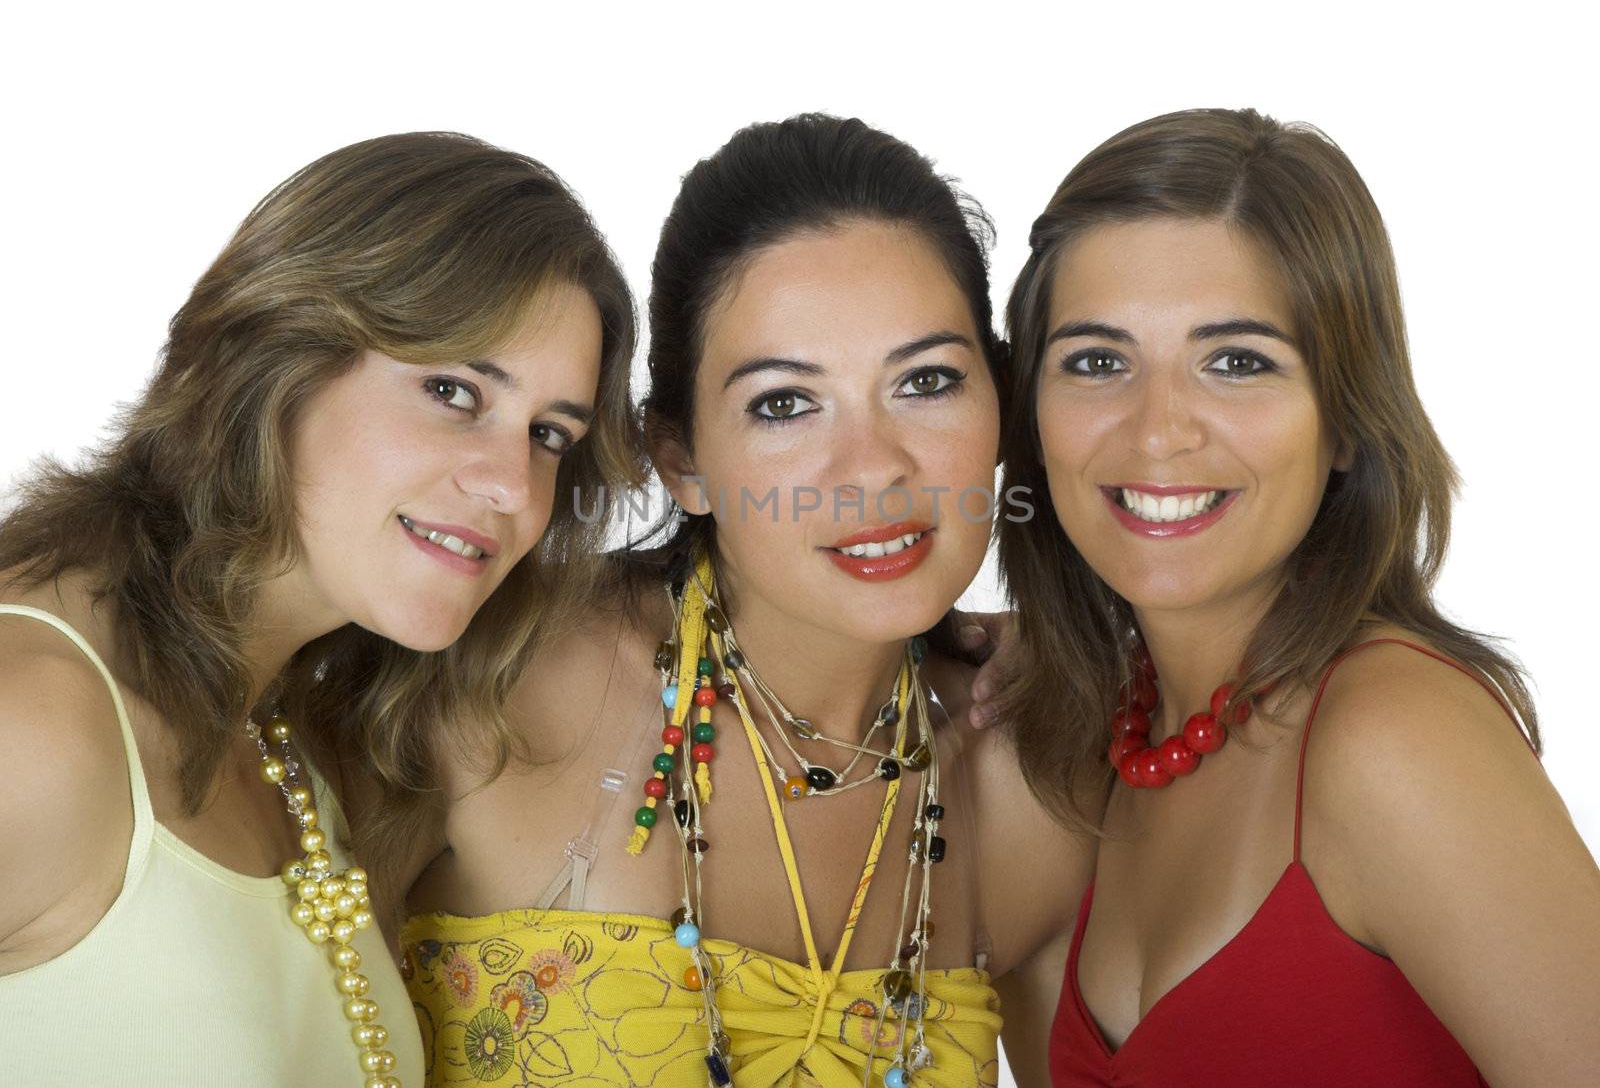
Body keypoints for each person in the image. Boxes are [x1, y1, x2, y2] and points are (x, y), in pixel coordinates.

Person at [397, 114, 1093, 1088]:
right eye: (783, 402)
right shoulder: (493, 676)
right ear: (679, 458)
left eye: (926, 381)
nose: (872, 469)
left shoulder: (1031, 793)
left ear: (1003, 400)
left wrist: (1100, 648)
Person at [0, 132, 639, 1088]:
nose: (512, 484)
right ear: (280, 353)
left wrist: (931, 661)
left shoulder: (292, 750)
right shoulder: (34, 722)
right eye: (455, 391)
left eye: (550, 434)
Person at [981, 107, 1600, 1085]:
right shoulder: (1095, 742)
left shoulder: (1392, 738)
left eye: (1236, 362)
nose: (1157, 431)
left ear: (1346, 420)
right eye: (1097, 361)